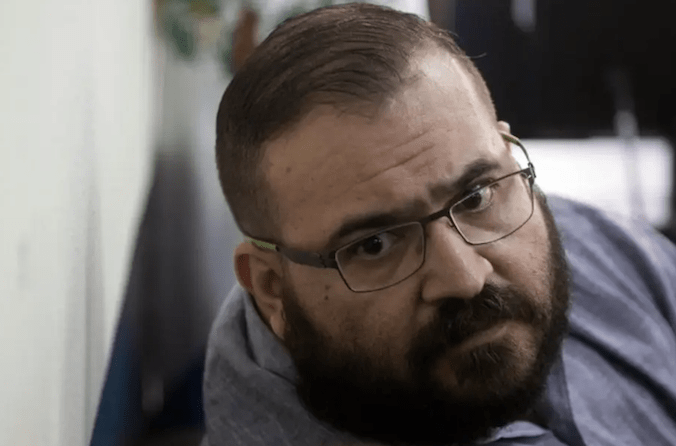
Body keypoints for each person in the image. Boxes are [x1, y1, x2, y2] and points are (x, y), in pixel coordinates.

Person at [202, 3, 676, 445]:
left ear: (508, 155)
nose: (466, 278)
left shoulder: (604, 246)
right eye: (375, 244)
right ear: (273, 288)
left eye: (476, 196)